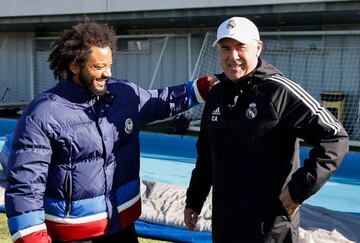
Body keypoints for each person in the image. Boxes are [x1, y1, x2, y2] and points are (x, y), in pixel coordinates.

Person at [5, 20, 213, 243]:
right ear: (75, 66)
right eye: (98, 67)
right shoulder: (42, 114)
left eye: (109, 65)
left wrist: (204, 88)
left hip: (122, 225)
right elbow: (25, 187)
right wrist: (32, 238)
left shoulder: (122, 93)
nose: (107, 73)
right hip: (74, 235)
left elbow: (159, 101)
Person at [184, 16, 349, 242]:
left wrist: (298, 190)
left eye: (240, 47)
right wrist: (194, 200)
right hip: (225, 225)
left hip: (270, 229)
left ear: (258, 48)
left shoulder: (279, 91)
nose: (233, 57)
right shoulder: (216, 95)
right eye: (225, 48)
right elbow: (206, 156)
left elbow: (335, 136)